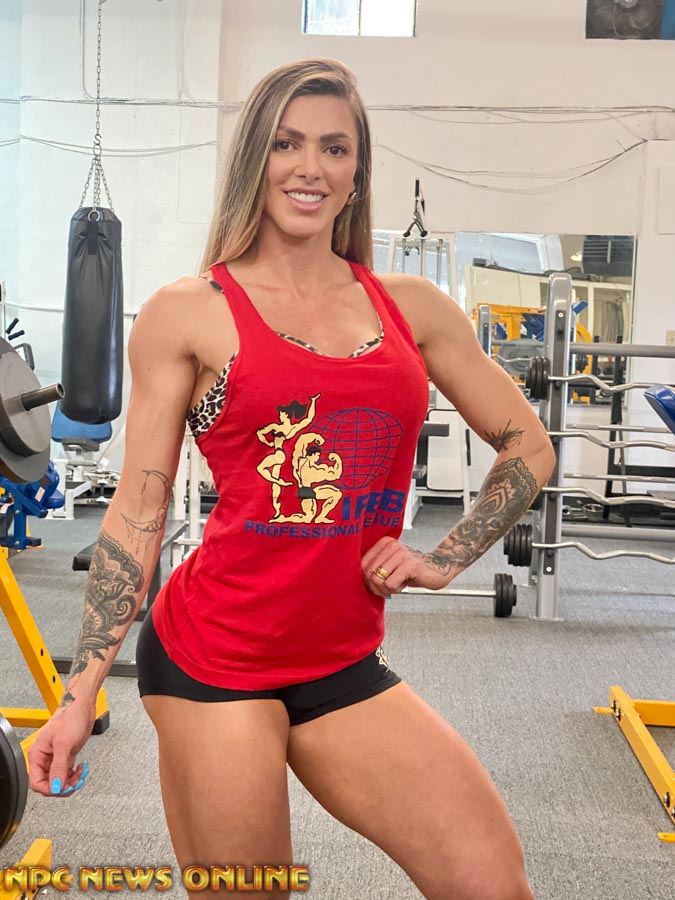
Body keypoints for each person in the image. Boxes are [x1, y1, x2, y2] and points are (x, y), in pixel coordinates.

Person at [28, 58, 554, 899]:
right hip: (214, 659)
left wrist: (444, 556)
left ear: (357, 172)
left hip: (340, 656)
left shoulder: (411, 308)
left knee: (492, 885)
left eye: (334, 148)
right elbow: (138, 508)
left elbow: (527, 444)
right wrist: (78, 692)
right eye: (286, 143)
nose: (310, 167)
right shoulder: (190, 311)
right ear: (254, 160)